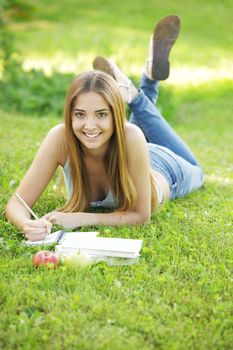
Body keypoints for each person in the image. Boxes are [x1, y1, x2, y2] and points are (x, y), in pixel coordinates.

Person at [5, 15, 204, 242]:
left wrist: (81, 218)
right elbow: (16, 205)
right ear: (69, 114)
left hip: (164, 168)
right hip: (126, 148)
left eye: (101, 114)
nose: (89, 126)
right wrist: (26, 224)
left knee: (198, 171)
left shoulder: (131, 136)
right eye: (80, 114)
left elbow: (140, 216)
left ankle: (136, 94)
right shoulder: (60, 137)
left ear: (115, 117)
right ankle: (136, 84)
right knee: (114, 133)